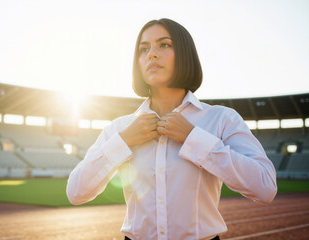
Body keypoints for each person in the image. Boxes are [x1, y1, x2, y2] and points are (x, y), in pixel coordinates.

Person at [66, 18, 277, 240]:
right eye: (143, 49)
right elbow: (76, 192)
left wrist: (193, 138)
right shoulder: (119, 129)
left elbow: (265, 187)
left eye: (164, 45)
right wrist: (123, 141)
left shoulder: (221, 118)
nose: (151, 54)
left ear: (185, 54)